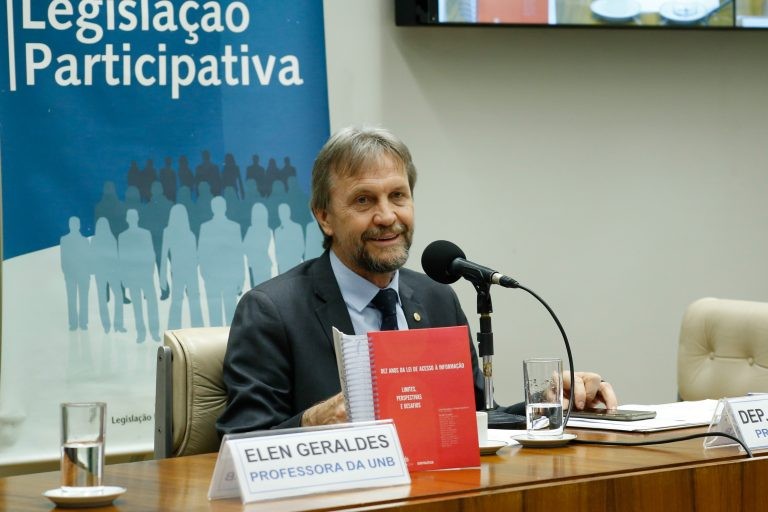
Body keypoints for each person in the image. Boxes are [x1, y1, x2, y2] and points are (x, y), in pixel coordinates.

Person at [217, 126, 617, 435]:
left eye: (398, 196)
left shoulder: (437, 298)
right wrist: (311, 422)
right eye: (363, 200)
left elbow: (478, 419)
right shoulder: (273, 311)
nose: (387, 216)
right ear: (324, 216)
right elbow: (239, 443)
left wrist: (546, 404)